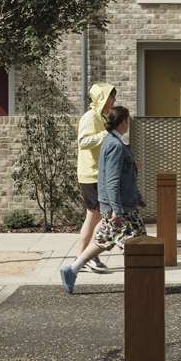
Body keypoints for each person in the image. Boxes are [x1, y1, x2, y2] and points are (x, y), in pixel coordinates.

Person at [61, 105, 144, 293]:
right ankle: (140, 283)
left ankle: (72, 269)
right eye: (128, 120)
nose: (129, 123)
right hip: (121, 207)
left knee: (104, 240)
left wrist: (136, 194)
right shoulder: (115, 145)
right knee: (137, 244)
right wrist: (116, 209)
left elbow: (117, 173)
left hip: (121, 204)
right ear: (123, 122)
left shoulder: (110, 140)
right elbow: (112, 179)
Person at [75, 82, 116, 273]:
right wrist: (105, 135)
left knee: (93, 216)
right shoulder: (90, 117)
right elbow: (83, 142)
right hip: (91, 175)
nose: (114, 100)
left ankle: (82, 257)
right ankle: (88, 256)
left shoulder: (101, 117)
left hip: (97, 174)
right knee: (100, 216)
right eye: (111, 96)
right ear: (102, 98)